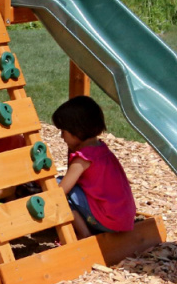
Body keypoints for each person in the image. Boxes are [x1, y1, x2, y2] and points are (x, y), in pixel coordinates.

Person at [52, 96, 136, 240]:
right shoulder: (101, 149)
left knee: (56, 185)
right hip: (124, 220)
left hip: (107, 222)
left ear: (76, 131)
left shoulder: (83, 158)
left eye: (63, 131)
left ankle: (84, 234)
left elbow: (61, 190)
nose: (61, 137)